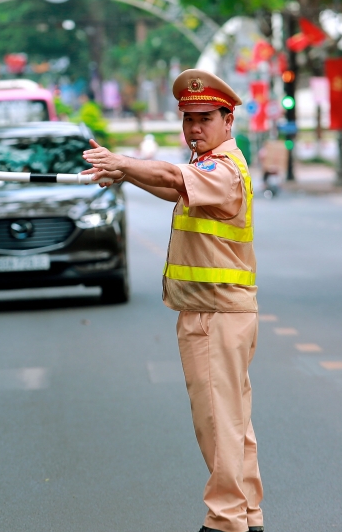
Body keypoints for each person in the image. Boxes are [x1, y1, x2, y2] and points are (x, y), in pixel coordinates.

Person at [82, 69, 264, 532]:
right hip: (216, 311)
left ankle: (225, 521)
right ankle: (249, 516)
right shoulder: (207, 168)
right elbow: (171, 185)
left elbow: (169, 174)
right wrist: (124, 176)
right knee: (233, 424)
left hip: (216, 313)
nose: (195, 128)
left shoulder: (223, 170)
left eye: (205, 118)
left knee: (216, 422)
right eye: (188, 120)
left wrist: (122, 163)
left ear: (228, 120)